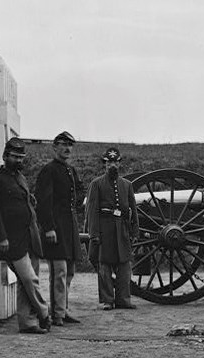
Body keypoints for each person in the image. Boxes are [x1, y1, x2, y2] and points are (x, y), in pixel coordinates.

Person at [0, 137, 51, 334]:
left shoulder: (20, 179)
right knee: (30, 279)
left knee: (24, 282)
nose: (18, 161)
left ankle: (28, 323)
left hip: (30, 236)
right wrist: (1, 237)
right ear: (5, 156)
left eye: (21, 157)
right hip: (12, 240)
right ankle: (44, 313)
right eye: (14, 157)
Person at [35, 131, 84, 326]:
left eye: (70, 145)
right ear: (54, 147)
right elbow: (43, 202)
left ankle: (62, 310)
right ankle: (56, 315)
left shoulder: (70, 170)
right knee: (59, 272)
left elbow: (78, 192)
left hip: (69, 226)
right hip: (55, 227)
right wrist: (48, 227)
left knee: (70, 271)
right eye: (62, 144)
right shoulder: (49, 170)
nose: (67, 148)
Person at [85, 147, 138, 310]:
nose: (112, 165)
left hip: (122, 228)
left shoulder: (127, 185)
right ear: (105, 165)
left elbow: (132, 209)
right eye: (109, 163)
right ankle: (108, 300)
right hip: (104, 228)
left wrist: (134, 231)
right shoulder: (97, 184)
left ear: (119, 163)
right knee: (105, 266)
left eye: (115, 162)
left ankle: (123, 299)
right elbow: (92, 211)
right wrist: (94, 233)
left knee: (124, 265)